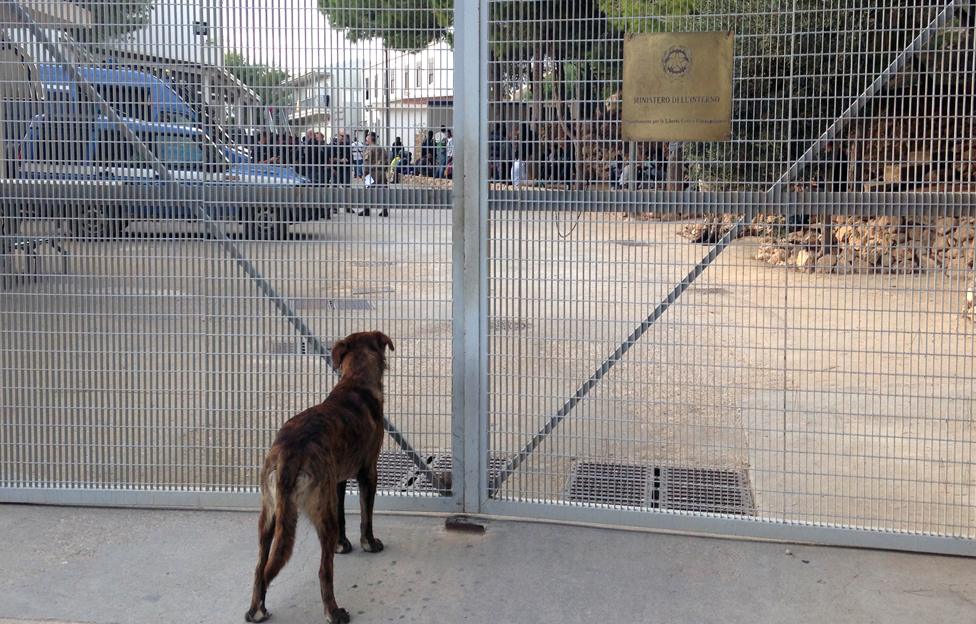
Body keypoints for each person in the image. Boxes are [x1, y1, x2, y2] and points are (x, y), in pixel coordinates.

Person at [362, 131, 389, 217]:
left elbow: (367, 162)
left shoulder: (369, 148)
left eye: (367, 137)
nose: (366, 139)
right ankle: (384, 210)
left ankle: (366, 209)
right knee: (383, 191)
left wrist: (365, 173)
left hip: (372, 173)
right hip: (382, 172)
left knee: (367, 190)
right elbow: (387, 161)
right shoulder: (381, 148)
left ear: (370, 138)